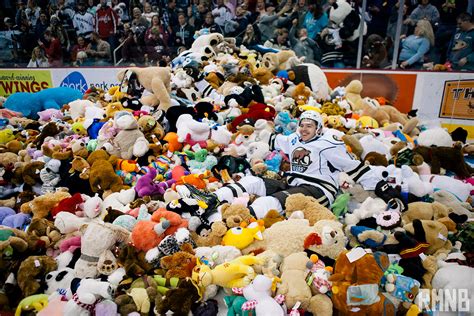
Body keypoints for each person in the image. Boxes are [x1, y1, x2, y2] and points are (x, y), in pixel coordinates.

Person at [209, 111, 378, 218]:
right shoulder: (294, 139)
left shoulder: (329, 143)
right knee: (252, 181)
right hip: (292, 183)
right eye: (302, 125)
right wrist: (259, 129)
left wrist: (379, 186)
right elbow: (274, 140)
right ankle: (212, 199)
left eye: (309, 126)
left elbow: (353, 166)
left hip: (317, 189)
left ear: (318, 129)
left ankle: (237, 220)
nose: (304, 129)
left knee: (270, 201)